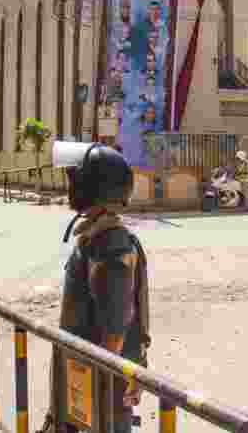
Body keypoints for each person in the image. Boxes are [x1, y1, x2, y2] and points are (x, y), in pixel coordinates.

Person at [54, 143, 148, 433]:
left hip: (102, 379)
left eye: (75, 179)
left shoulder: (110, 245)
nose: (70, 186)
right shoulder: (95, 237)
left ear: (92, 186)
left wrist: (95, 384)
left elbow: (116, 326)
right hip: (88, 372)